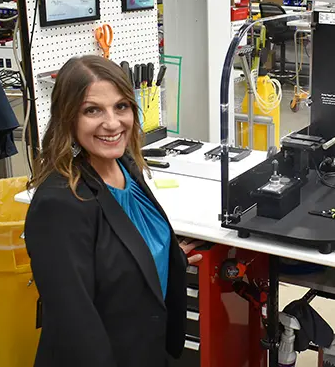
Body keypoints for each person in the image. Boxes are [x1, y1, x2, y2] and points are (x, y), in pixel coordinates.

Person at [24, 55, 203, 367]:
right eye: (92, 110)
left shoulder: (124, 166)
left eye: (121, 106)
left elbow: (119, 248)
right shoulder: (60, 203)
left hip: (147, 347)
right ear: (68, 118)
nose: (112, 123)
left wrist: (165, 255)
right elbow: (75, 324)